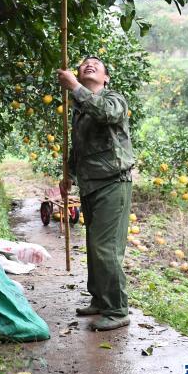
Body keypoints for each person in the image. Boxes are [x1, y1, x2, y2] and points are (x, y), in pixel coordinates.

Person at [57, 56, 135, 331]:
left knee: (106, 248)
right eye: (84, 64)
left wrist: (75, 87)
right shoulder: (79, 109)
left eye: (96, 64)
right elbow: (79, 147)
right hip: (91, 184)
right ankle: (100, 300)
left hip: (113, 183)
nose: (89, 65)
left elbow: (107, 114)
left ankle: (117, 308)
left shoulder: (114, 98)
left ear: (106, 77)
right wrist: (69, 175)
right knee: (94, 246)